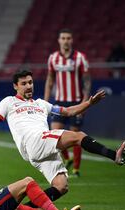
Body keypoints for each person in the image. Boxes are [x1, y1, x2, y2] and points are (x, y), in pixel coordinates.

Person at [0, 69, 125, 206]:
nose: (29, 86)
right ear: (15, 86)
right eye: (24, 83)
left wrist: (89, 103)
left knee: (61, 186)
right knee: (78, 136)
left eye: (30, 82)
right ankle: (113, 155)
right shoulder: (9, 102)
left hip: (40, 148)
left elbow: (69, 111)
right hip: (33, 141)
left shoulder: (42, 104)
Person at [44, 28, 91, 177]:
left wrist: (85, 102)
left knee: (76, 136)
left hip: (76, 101)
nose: (65, 40)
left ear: (72, 40)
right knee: (54, 133)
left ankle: (76, 169)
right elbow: (50, 80)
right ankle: (67, 158)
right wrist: (45, 102)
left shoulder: (80, 58)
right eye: (63, 38)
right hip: (59, 102)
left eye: (68, 38)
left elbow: (87, 82)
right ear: (59, 40)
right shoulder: (53, 58)